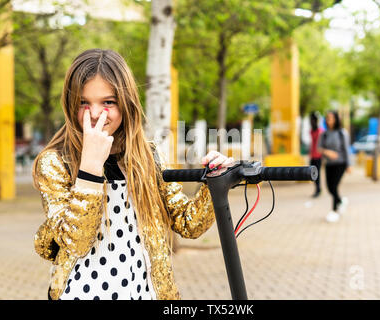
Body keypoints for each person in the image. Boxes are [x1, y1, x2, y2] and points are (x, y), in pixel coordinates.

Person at [31, 49, 235, 300]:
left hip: (141, 291)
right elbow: (76, 242)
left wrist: (214, 183)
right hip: (82, 292)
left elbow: (188, 223)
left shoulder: (147, 156)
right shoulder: (56, 162)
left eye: (108, 102)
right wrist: (90, 169)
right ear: (70, 104)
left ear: (125, 103)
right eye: (84, 103)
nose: (95, 114)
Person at [317, 110, 351, 223]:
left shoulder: (342, 133)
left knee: (334, 186)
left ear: (336, 119)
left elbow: (346, 149)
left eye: (331, 118)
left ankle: (334, 210)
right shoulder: (324, 134)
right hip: (329, 164)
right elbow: (319, 148)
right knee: (329, 187)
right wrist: (328, 152)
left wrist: (349, 165)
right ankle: (341, 201)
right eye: (327, 118)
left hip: (340, 163)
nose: (328, 120)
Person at [309, 112, 323, 198]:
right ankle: (317, 188)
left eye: (312, 120)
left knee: (317, 174)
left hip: (319, 156)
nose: (311, 122)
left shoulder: (320, 131)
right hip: (312, 156)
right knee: (312, 174)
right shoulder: (311, 131)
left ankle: (318, 189)